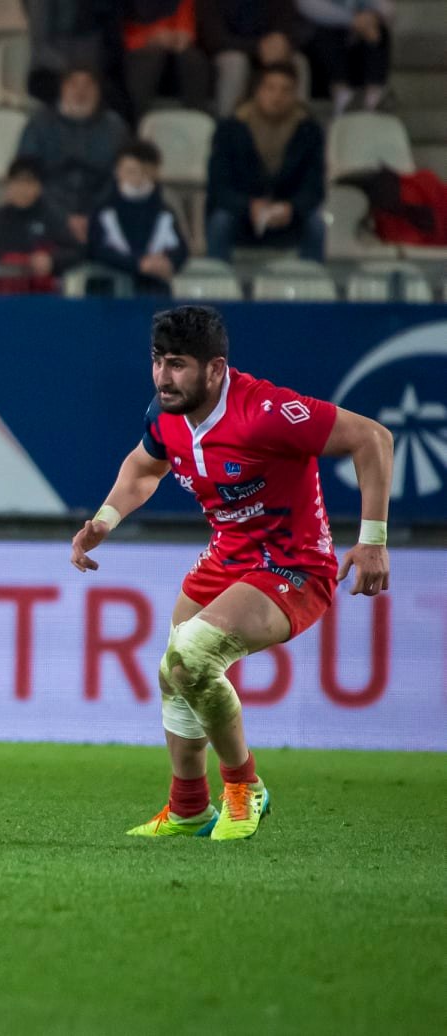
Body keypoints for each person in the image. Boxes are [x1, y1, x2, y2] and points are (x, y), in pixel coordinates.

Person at [70, 305, 393, 841]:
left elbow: (373, 439)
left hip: (292, 564)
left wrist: (373, 540)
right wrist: (105, 520)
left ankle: (245, 787)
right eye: (157, 361)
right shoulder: (166, 414)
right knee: (175, 672)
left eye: (177, 365)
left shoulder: (265, 411)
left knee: (193, 655)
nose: (163, 376)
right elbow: (143, 467)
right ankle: (188, 809)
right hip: (226, 558)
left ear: (216, 369)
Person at [204, 63, 327, 262]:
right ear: (258, 91)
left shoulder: (309, 132)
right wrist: (249, 206)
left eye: (286, 90)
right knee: (220, 220)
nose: (277, 96)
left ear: (295, 95)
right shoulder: (230, 129)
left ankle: (312, 280)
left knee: (316, 223)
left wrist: (291, 207)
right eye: (270, 88)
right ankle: (217, 279)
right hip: (242, 215)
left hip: (288, 217)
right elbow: (218, 186)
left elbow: (314, 187)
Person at [15, 65, 131, 244]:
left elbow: (119, 178)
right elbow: (28, 173)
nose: (80, 92)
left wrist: (93, 216)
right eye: (73, 85)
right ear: (62, 88)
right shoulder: (39, 124)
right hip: (46, 211)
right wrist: (63, 218)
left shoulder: (115, 128)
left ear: (98, 91)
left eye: (88, 86)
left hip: (102, 214)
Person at [0, 156, 80, 294]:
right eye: (16, 181)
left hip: (38, 298)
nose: (22, 188)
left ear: (39, 186)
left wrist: (51, 261)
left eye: (28, 181)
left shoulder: (53, 218)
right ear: (8, 184)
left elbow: (75, 253)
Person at [87, 141, 188, 295]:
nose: (137, 178)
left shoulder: (165, 212)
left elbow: (181, 249)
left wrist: (168, 262)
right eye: (131, 171)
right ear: (117, 171)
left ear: (155, 173)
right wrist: (138, 263)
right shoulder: (104, 211)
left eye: (145, 172)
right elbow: (96, 249)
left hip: (156, 293)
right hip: (109, 295)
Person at [197, 0, 303, 116]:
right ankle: (229, 121)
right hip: (225, 52)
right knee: (235, 61)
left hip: (267, 50)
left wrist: (282, 41)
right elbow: (214, 39)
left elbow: (290, 25)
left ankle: (301, 121)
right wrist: (258, 47)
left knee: (298, 61)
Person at [296, 0, 392, 114]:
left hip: (359, 42)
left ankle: (373, 96)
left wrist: (372, 17)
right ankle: (342, 94)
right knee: (326, 32)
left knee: (379, 31)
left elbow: (388, 9)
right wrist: (353, 20)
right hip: (320, 49)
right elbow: (309, 6)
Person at [123, 0, 212, 119]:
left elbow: (185, 21)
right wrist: (147, 39)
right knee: (149, 58)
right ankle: (136, 121)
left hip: (173, 47)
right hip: (137, 47)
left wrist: (183, 34)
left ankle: (197, 120)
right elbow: (116, 32)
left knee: (194, 60)